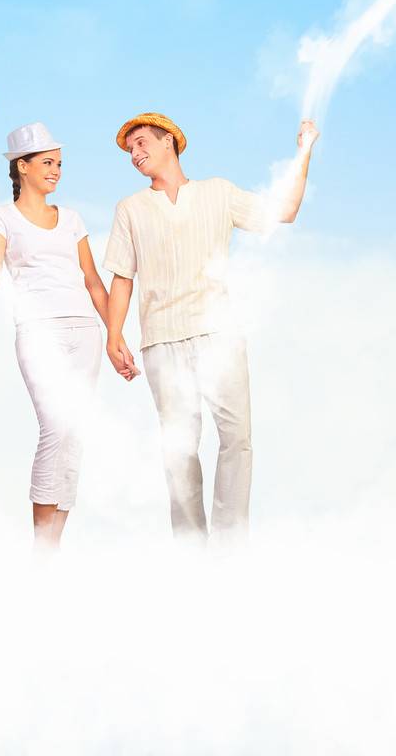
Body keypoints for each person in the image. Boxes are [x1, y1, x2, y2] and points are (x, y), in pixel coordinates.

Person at [102, 112, 319, 545]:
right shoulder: (130, 208)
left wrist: (304, 149)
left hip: (219, 334)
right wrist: (113, 336)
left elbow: (285, 211)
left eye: (142, 143)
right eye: (130, 150)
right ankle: (190, 551)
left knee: (236, 439)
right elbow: (122, 277)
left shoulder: (217, 192)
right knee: (179, 449)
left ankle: (230, 547)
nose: (135, 154)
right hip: (162, 340)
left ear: (170, 143)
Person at [0, 121, 111, 553]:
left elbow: (92, 279)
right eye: (47, 163)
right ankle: (40, 552)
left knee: (74, 433)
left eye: (60, 164)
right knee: (54, 428)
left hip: (85, 330)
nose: (56, 171)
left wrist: (116, 335)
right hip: (38, 331)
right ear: (22, 166)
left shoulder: (72, 219)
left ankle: (53, 549)